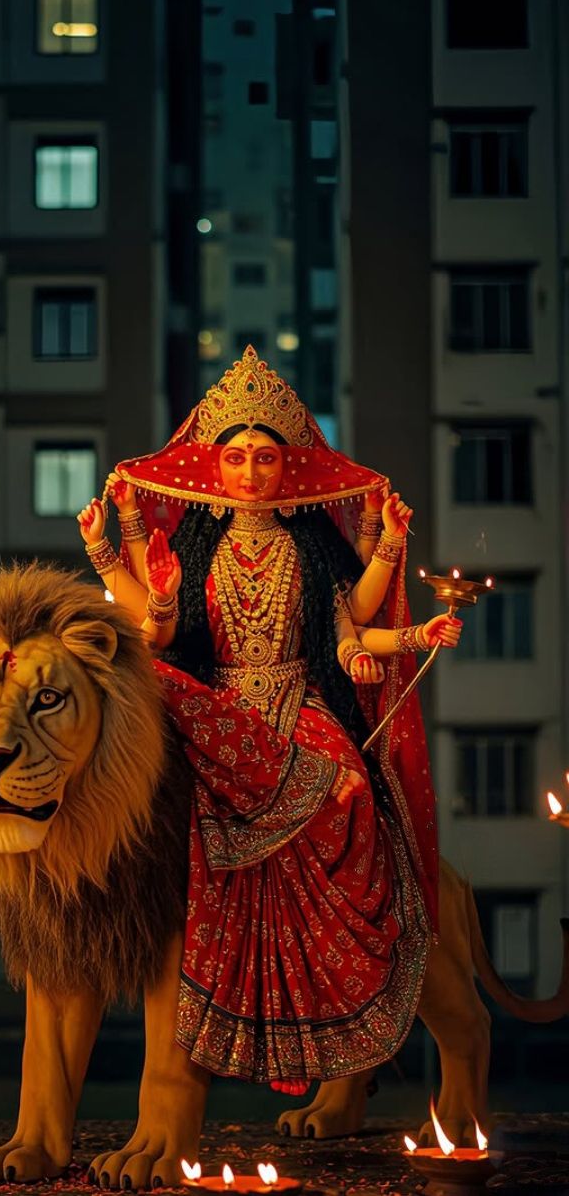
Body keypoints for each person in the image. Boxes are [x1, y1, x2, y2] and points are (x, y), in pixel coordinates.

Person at [76, 346, 461, 1094]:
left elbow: (352, 624)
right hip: (217, 712)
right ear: (211, 469)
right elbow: (150, 633)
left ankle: (341, 995)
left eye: (265, 458)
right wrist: (106, 551)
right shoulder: (193, 551)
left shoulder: (308, 550)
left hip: (295, 703)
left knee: (346, 792)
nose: (250, 471)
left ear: (289, 472)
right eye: (237, 457)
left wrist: (408, 623)